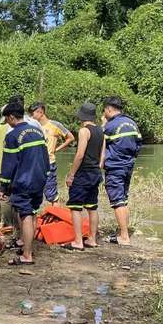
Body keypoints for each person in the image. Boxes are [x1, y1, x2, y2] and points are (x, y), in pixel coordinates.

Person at [0, 99, 48, 266]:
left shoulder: (12, 136)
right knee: (32, 213)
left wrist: (3, 186)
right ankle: (28, 248)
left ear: (11, 117)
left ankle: (27, 255)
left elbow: (9, 165)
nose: (7, 122)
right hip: (39, 179)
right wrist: (46, 174)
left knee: (25, 215)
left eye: (7, 119)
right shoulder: (37, 131)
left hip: (23, 181)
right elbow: (45, 156)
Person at [63, 102, 105, 251]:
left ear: (81, 116)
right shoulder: (101, 131)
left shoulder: (84, 131)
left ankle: (78, 241)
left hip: (83, 173)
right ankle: (92, 239)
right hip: (95, 173)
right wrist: (97, 168)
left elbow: (80, 154)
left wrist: (71, 175)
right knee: (92, 207)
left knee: (75, 207)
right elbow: (102, 155)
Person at [102, 96, 142, 245]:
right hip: (128, 165)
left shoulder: (110, 126)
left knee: (117, 201)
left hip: (115, 167)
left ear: (108, 109)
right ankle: (123, 232)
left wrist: (103, 125)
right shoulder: (132, 123)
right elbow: (138, 144)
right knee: (123, 199)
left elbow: (100, 144)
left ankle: (124, 236)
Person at [29, 101, 75, 205]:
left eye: (32, 114)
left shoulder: (55, 125)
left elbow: (70, 138)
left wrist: (56, 149)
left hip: (49, 163)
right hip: (34, 164)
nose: (31, 117)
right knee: (33, 193)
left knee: (52, 195)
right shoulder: (33, 126)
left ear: (41, 113)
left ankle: (56, 212)